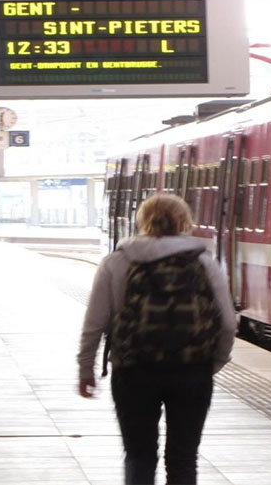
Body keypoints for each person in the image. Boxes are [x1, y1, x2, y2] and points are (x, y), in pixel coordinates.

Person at [77, 194, 237, 485]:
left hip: (133, 369)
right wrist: (214, 361)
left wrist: (85, 369)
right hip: (192, 371)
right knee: (184, 456)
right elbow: (227, 323)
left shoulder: (117, 261)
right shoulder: (204, 261)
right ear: (184, 222)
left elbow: (94, 324)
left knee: (139, 454)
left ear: (142, 220)